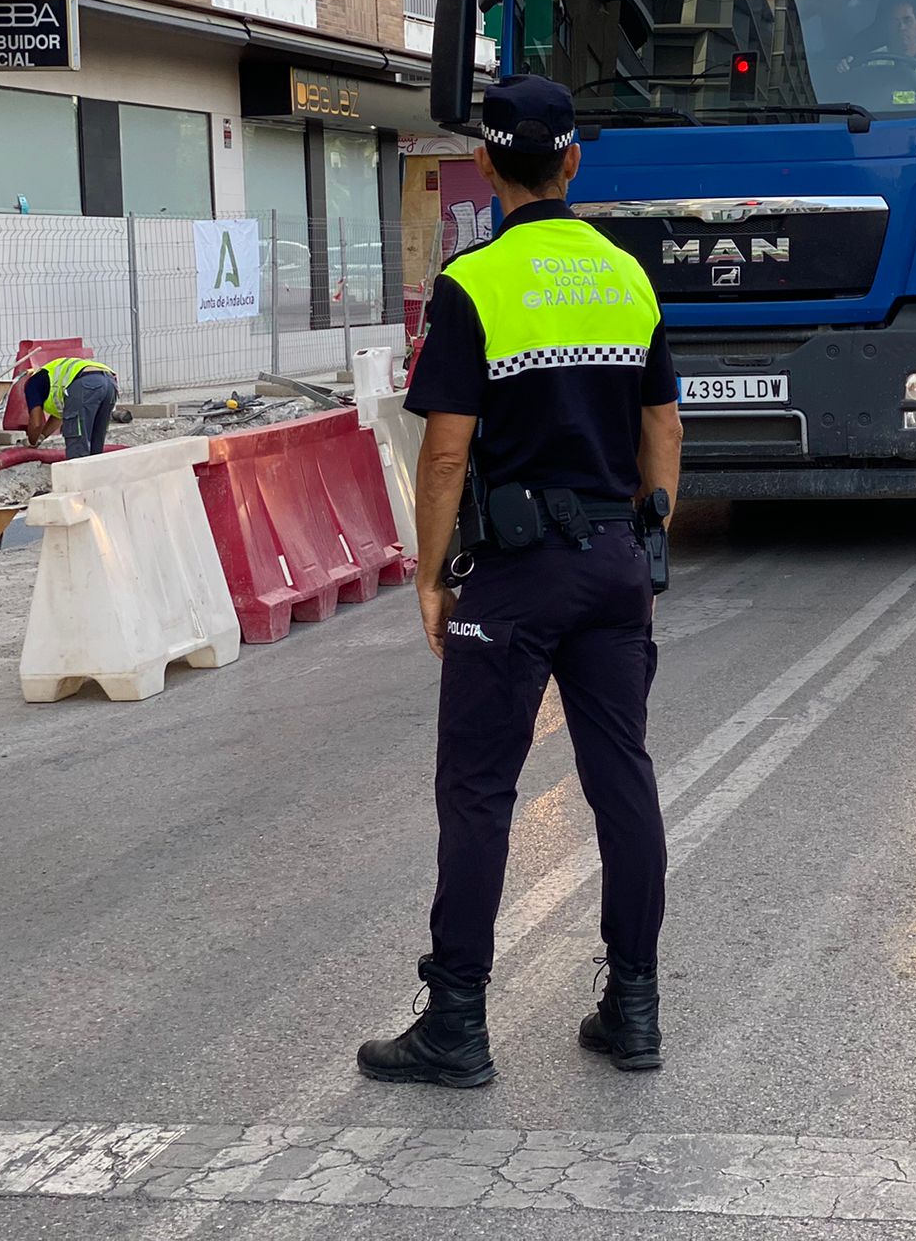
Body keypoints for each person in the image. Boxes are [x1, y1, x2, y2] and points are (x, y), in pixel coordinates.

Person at [358, 74, 683, 1089]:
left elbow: (445, 453)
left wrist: (428, 576)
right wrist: (650, 536)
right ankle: (632, 1009)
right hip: (612, 567)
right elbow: (662, 427)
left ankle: (456, 1023)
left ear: (489, 167)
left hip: (514, 575)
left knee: (478, 792)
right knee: (620, 780)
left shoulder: (473, 284)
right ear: (573, 163)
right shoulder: (626, 278)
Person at [21, 356, 119, 459]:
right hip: (110, 383)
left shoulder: (32, 385)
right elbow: (59, 417)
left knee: (77, 442)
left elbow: (36, 424)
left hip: (85, 383)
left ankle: (78, 474)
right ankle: (94, 473)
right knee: (96, 440)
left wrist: (31, 442)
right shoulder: (52, 379)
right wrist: (41, 437)